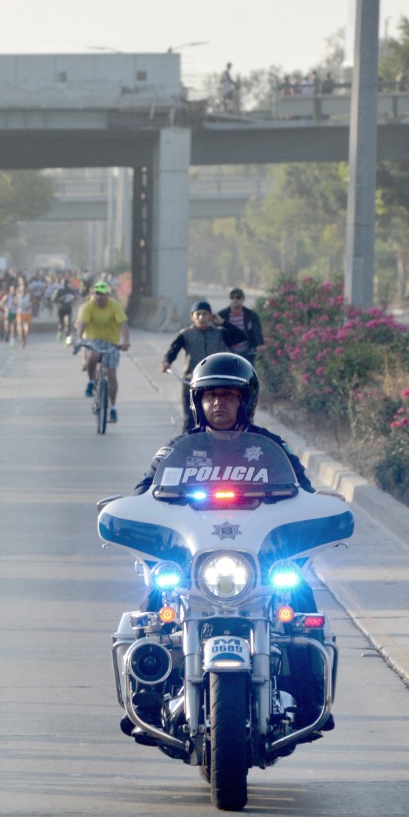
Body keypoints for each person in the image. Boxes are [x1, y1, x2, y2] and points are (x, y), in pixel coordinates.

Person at [131, 354, 337, 728]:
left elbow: (306, 494)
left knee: (303, 602)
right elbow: (144, 495)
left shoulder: (273, 448)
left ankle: (310, 700)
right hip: (195, 560)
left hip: (259, 560)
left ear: (246, 401)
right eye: (209, 396)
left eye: (227, 395)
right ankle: (146, 695)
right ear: (197, 402)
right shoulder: (177, 451)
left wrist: (320, 510)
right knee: (153, 604)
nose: (218, 404)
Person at [160, 300, 247, 430]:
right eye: (198, 314)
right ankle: (187, 447)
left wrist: (223, 323)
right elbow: (173, 350)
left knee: (214, 419)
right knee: (190, 419)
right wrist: (166, 362)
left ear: (211, 316)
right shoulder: (186, 334)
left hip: (215, 383)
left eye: (205, 314)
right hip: (192, 381)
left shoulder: (220, 333)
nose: (201, 318)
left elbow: (241, 336)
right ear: (192, 317)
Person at [75, 281, 130, 423]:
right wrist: (80, 339)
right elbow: (82, 325)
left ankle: (113, 408)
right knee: (93, 355)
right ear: (93, 294)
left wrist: (126, 341)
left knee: (111, 374)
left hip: (111, 341)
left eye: (103, 294)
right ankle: (91, 381)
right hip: (93, 339)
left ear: (108, 295)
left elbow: (123, 324)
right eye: (97, 294)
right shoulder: (88, 306)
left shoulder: (115, 306)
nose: (99, 297)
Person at [217, 287, 264, 366]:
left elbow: (257, 331)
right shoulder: (222, 315)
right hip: (227, 352)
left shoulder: (251, 315)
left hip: (247, 352)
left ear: (243, 300)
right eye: (232, 297)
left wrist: (260, 344)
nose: (235, 299)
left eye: (238, 297)